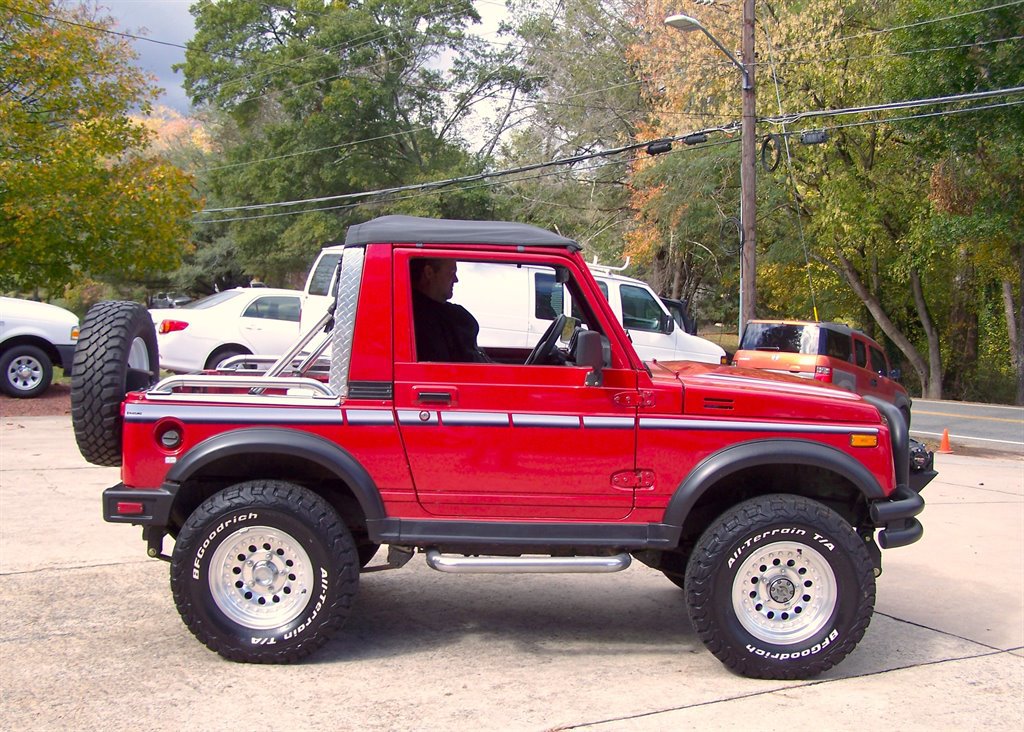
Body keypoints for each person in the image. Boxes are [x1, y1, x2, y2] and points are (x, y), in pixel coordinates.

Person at [410, 258, 491, 363]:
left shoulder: (446, 314)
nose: (456, 279)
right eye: (452, 272)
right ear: (429, 272)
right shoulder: (422, 319)